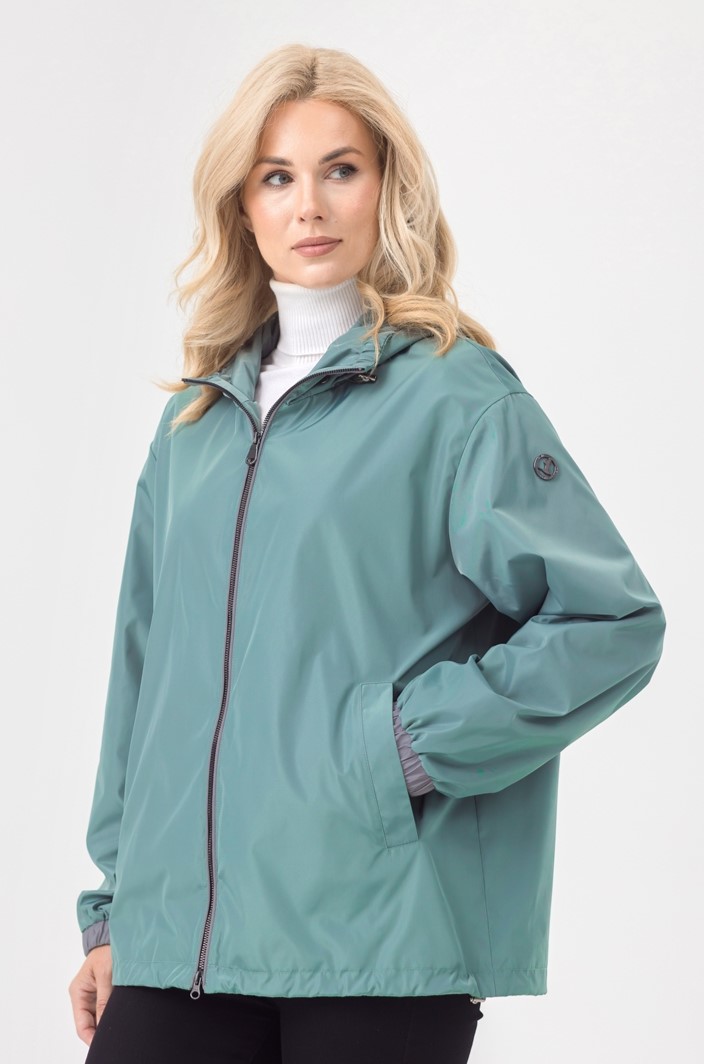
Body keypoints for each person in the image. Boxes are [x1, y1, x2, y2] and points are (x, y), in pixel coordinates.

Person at [67, 42, 666, 1064]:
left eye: (339, 169)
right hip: (178, 941)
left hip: (380, 937)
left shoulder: (455, 396)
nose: (309, 205)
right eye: (276, 176)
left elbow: (610, 620)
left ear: (386, 185)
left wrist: (403, 748)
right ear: (240, 205)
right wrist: (114, 907)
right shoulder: (193, 427)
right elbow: (143, 675)